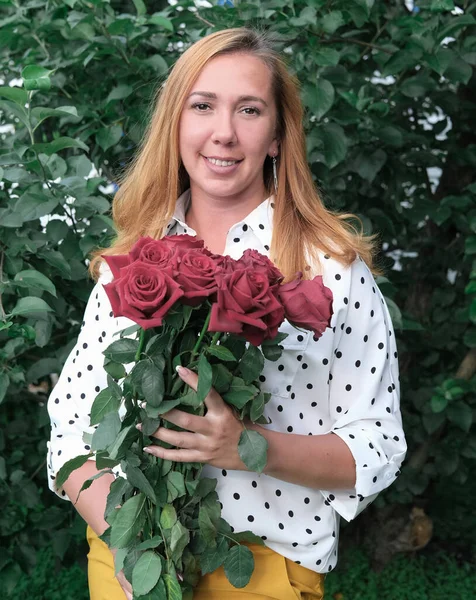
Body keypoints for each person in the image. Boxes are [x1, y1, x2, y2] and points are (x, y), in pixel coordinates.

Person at [47, 27, 406, 600]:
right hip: (128, 563)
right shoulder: (129, 263)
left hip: (262, 569)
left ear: (276, 137)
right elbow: (70, 433)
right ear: (177, 124)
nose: (224, 133)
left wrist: (246, 446)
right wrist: (131, 545)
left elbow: (376, 448)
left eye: (249, 110)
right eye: (203, 106)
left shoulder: (331, 271)